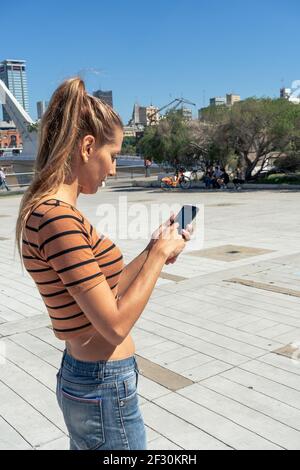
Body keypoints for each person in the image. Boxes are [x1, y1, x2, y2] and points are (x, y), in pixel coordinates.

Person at [15, 77, 193, 451]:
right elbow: (113, 326)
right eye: (112, 156)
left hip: (97, 381)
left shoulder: (53, 213)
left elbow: (105, 291)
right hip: (102, 383)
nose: (113, 169)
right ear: (87, 146)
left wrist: (152, 249)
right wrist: (159, 258)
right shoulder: (57, 219)